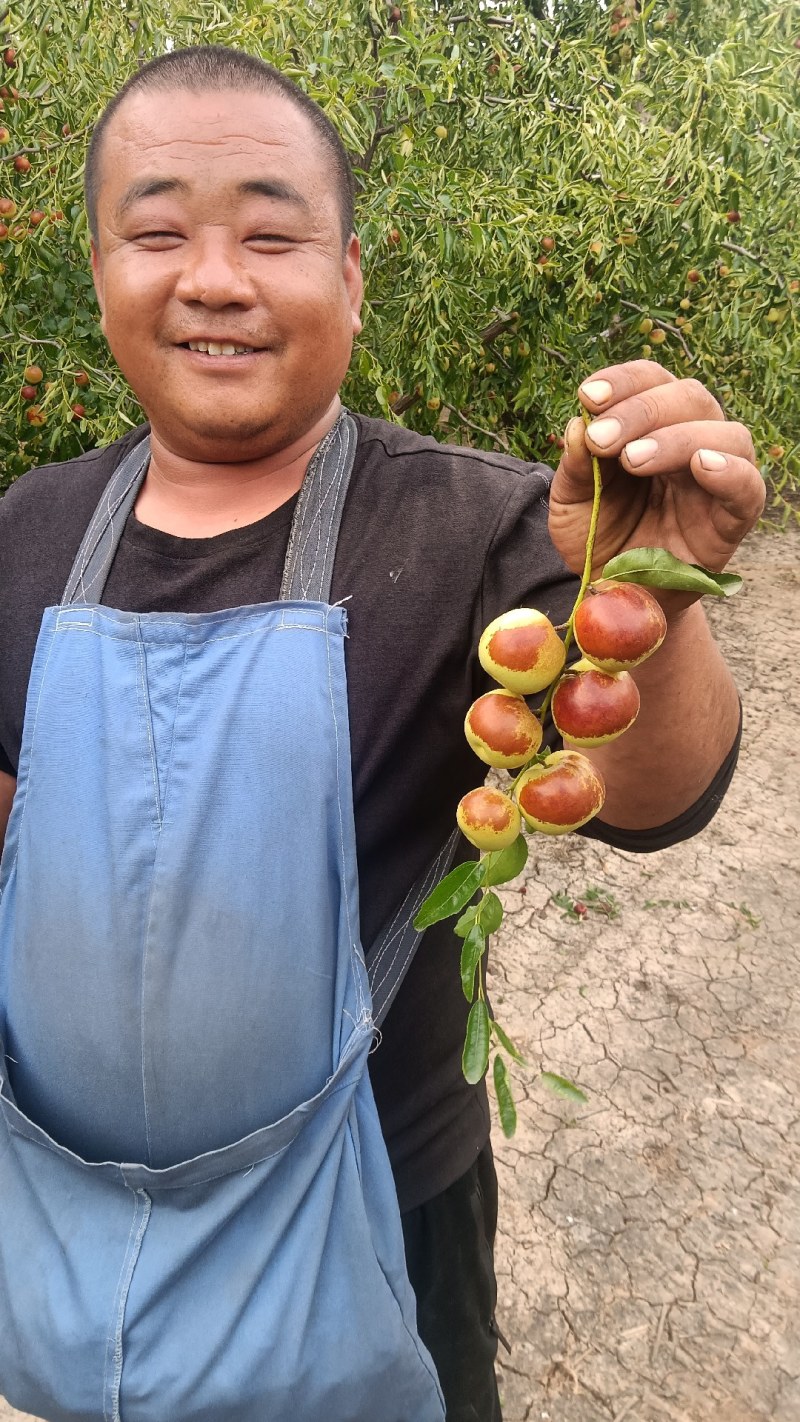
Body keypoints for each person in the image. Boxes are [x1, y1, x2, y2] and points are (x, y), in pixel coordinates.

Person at [0, 44, 764, 1422]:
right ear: (99, 271)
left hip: (376, 1217)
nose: (215, 278)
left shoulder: (481, 528)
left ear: (351, 277)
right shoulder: (25, 535)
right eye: (158, 231)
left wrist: (652, 591)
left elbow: (659, 793)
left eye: (272, 235)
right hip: (64, 1215)